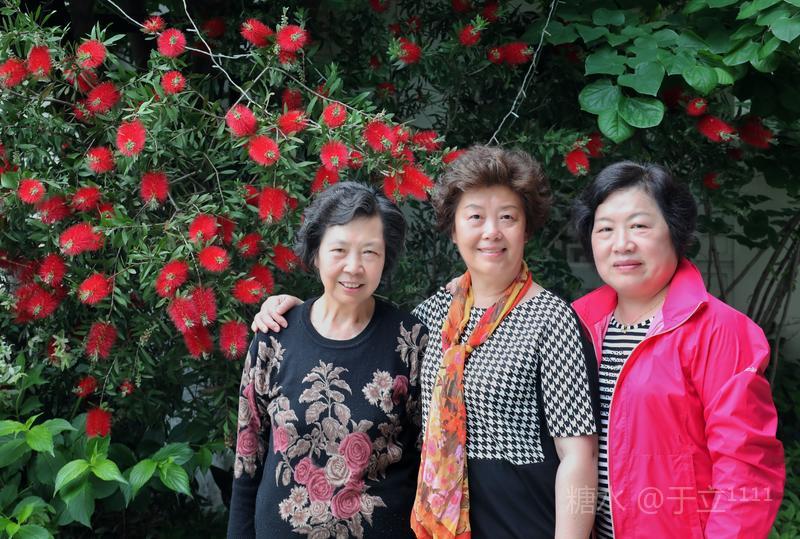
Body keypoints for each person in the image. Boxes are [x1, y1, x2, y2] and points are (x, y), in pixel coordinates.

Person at [252, 145, 600, 539]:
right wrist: (296, 314)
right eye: (475, 217)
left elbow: (580, 456)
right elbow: (358, 353)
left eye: (507, 217)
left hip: (526, 523)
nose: (491, 231)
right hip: (439, 527)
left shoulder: (552, 320)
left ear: (526, 228)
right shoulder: (430, 318)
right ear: (454, 229)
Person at [571, 161, 785, 538]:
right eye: (605, 229)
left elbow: (746, 471)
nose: (621, 244)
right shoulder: (576, 324)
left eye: (639, 226)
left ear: (675, 231)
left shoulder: (719, 330)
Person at [227, 182, 429, 538]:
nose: (354, 267)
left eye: (370, 252)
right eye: (339, 250)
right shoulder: (274, 335)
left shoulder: (410, 342)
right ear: (316, 252)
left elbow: (429, 461)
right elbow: (248, 457)